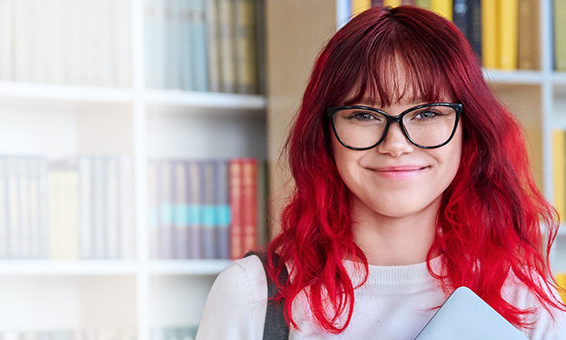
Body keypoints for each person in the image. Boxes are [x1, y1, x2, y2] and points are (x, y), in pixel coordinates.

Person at [196, 5, 566, 340]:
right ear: (324, 134)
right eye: (364, 114)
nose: (396, 144)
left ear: (469, 130)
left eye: (428, 112)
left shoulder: (525, 301)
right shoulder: (252, 295)